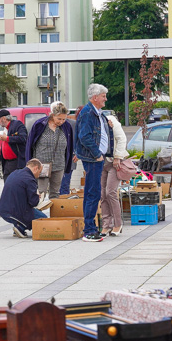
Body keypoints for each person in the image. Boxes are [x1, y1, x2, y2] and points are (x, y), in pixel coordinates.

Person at [75, 84, 114, 242]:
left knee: (94, 192)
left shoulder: (98, 113)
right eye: (103, 95)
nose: (105, 98)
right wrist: (97, 154)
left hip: (97, 158)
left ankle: (91, 228)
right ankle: (89, 230)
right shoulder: (88, 113)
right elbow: (84, 137)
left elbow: (100, 133)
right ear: (95, 97)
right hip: (92, 158)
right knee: (92, 193)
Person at [26, 101, 74, 201]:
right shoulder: (40, 124)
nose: (61, 121)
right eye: (59, 118)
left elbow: (69, 146)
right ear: (52, 115)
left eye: (64, 119)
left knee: (55, 193)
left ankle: (54, 215)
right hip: (42, 164)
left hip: (59, 164)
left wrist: (68, 164)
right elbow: (30, 144)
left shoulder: (67, 127)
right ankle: (38, 214)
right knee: (41, 191)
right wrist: (29, 162)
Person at [0, 159, 47, 238]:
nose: (38, 175)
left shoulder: (15, 173)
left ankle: (18, 225)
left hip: (3, 209)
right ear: (36, 168)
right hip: (16, 211)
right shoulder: (30, 179)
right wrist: (37, 196)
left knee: (29, 211)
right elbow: (33, 202)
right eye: (39, 172)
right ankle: (20, 227)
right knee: (44, 219)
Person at [98, 112, 129, 237]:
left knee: (110, 192)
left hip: (114, 162)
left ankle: (117, 223)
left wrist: (118, 157)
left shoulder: (110, 120)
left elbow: (121, 139)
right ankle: (106, 225)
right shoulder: (92, 124)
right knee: (102, 194)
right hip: (101, 162)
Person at [0, 109, 27, 182]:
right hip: (7, 162)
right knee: (7, 184)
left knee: (15, 184)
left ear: (4, 118)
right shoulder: (5, 129)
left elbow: (23, 138)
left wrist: (7, 138)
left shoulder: (17, 124)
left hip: (16, 162)